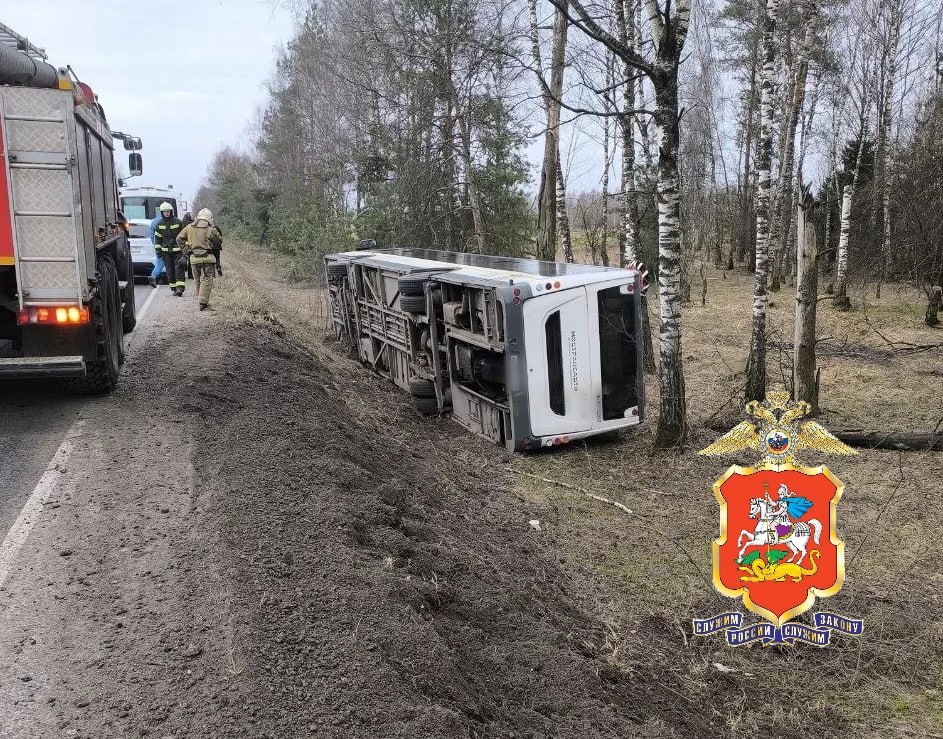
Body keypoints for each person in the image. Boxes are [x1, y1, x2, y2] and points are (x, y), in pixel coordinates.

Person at [177, 208, 222, 310]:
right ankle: (203, 302)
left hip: (193, 259)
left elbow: (179, 238)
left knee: (197, 280)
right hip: (208, 259)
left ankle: (200, 301)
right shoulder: (210, 229)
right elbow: (219, 241)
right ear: (209, 218)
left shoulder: (189, 227)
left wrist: (186, 251)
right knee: (207, 279)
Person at [153, 202, 185, 296]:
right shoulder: (159, 224)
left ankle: (180, 289)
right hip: (166, 252)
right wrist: (158, 251)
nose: (166, 213)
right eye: (164, 212)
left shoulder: (178, 222)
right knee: (170, 271)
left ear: (171, 211)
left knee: (179, 269)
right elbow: (157, 239)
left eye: (168, 211)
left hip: (177, 251)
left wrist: (184, 250)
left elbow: (183, 236)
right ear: (162, 212)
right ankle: (174, 289)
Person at [147, 211, 165, 288]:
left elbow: (151, 235)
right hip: (165, 245)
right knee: (168, 262)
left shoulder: (153, 221)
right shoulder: (165, 222)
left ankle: (154, 276)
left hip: (157, 244)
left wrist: (154, 244)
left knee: (160, 262)